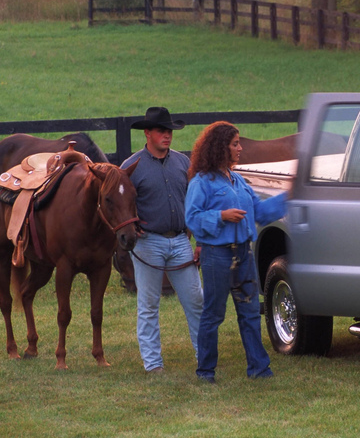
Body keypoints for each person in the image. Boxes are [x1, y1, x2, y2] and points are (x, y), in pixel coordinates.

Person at [185, 121, 288, 383]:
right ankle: (205, 372)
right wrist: (221, 216)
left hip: (244, 254)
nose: (240, 148)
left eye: (239, 142)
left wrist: (290, 196)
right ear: (221, 148)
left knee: (250, 312)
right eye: (235, 144)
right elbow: (193, 219)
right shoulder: (202, 183)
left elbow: (261, 213)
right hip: (216, 256)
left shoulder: (239, 181)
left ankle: (259, 369)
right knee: (214, 314)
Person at [121, 106, 204, 373]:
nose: (167, 136)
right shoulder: (131, 167)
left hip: (181, 241)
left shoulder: (183, 162)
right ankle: (153, 363)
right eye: (161, 131)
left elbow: (195, 201)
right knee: (148, 304)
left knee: (196, 301)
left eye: (169, 131)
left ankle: (205, 357)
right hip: (148, 242)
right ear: (147, 133)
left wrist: (198, 239)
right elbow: (119, 202)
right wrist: (133, 225)